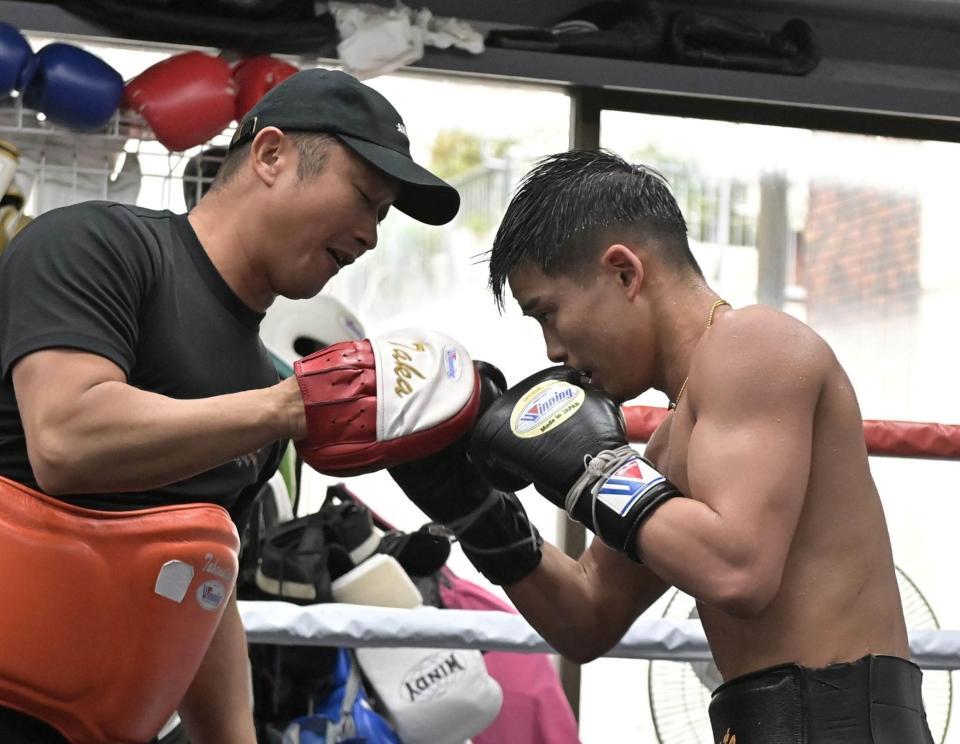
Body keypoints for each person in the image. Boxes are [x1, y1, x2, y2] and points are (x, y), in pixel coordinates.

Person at [389, 149, 934, 742]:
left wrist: (596, 470)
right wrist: (481, 516)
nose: (551, 351)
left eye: (548, 313)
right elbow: (588, 618)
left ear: (625, 272)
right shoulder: (675, 440)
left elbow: (738, 571)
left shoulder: (754, 345)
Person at [0, 68, 465, 744]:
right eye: (364, 197)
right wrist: (288, 407)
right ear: (271, 155)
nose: (369, 236)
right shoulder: (96, 247)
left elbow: (201, 591)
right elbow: (68, 442)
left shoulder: (259, 385)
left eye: (382, 216)